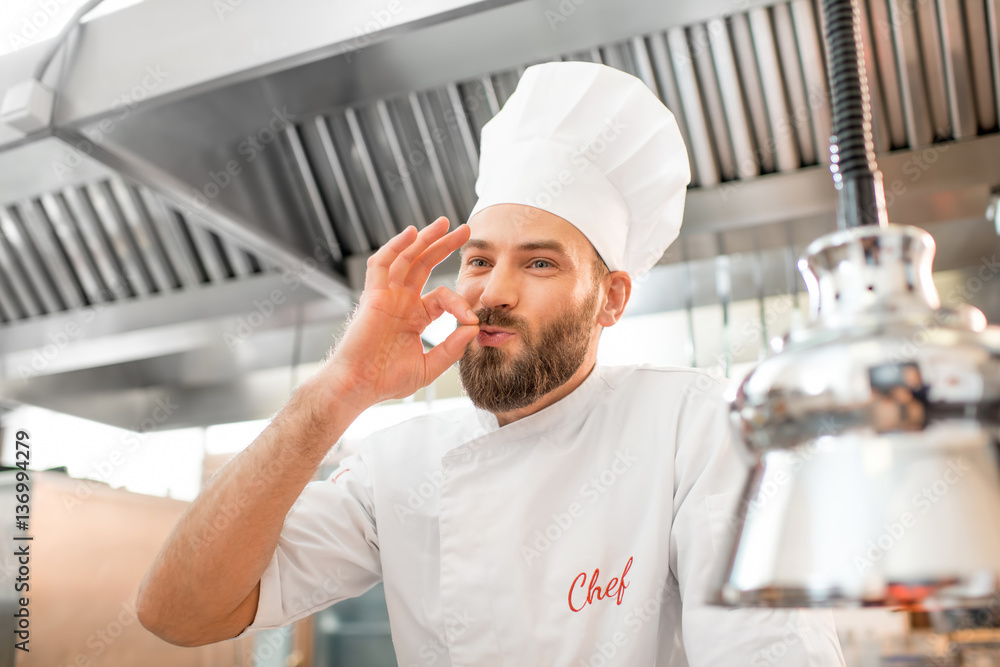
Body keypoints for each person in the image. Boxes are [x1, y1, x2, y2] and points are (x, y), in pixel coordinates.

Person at [136, 61, 846, 665]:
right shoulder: (400, 467)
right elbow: (178, 611)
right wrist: (335, 393)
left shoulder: (698, 429)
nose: (494, 291)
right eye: (478, 259)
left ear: (611, 298)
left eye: (539, 261)